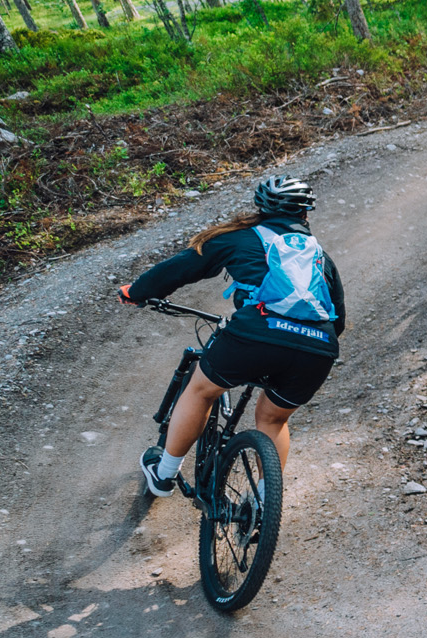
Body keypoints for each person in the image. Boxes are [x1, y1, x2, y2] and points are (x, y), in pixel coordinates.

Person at [119, 174, 346, 496]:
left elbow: (179, 268)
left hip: (254, 335)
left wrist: (137, 292)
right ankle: (264, 502)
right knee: (273, 420)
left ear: (261, 207)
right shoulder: (321, 258)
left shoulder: (239, 238)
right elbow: (338, 320)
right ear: (305, 212)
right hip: (319, 346)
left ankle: (164, 474)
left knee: (201, 391)